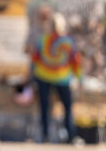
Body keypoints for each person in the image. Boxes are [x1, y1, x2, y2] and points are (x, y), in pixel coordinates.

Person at [31, 12, 81, 143]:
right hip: (62, 78)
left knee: (45, 107)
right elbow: (75, 61)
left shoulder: (43, 39)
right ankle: (71, 135)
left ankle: (45, 135)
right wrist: (79, 78)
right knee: (67, 107)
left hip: (44, 76)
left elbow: (35, 59)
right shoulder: (68, 41)